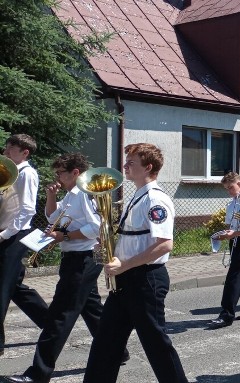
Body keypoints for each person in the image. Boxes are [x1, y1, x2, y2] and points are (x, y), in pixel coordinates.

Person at [2, 153, 129, 383]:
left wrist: (65, 235)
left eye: (61, 173)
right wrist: (51, 196)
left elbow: (96, 227)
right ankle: (118, 351)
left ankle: (38, 374)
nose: (57, 177)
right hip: (75, 258)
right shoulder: (71, 195)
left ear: (75, 173)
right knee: (92, 309)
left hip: (83, 259)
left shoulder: (82, 194)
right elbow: (52, 215)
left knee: (59, 317)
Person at [83, 143, 187, 383]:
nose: (125, 166)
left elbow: (164, 245)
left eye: (131, 162)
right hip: (127, 279)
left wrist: (124, 264)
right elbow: (137, 239)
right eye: (126, 161)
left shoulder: (155, 199)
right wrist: (110, 245)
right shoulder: (138, 197)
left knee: (156, 344)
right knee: (106, 341)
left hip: (145, 279)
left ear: (148, 167)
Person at [0, 134, 48, 358]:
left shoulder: (27, 173)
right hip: (6, 233)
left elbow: (28, 210)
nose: (6, 151)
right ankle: (51, 325)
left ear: (25, 152)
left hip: (15, 235)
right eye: (7, 147)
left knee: (2, 288)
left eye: (11, 148)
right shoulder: (10, 170)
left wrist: (5, 235)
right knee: (15, 289)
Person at [208, 172, 240, 330]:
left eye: (231, 187)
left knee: (234, 277)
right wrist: (224, 234)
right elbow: (232, 225)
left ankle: (226, 315)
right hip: (235, 241)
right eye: (227, 189)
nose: (230, 191)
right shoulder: (231, 204)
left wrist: (235, 233)